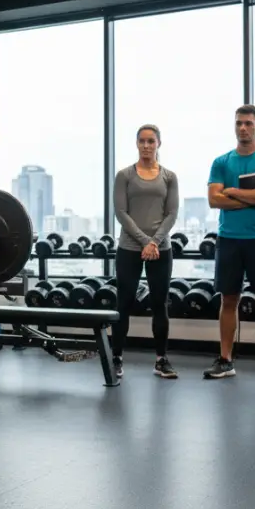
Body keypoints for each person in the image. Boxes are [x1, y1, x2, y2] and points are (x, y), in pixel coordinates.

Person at [205, 105, 255, 383]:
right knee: (228, 300)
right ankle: (225, 360)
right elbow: (214, 200)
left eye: (249, 123)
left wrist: (236, 192)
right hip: (229, 239)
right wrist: (254, 195)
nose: (243, 128)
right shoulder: (221, 162)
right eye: (239, 123)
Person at [111, 124, 180, 379]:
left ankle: (161, 359)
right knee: (124, 303)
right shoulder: (125, 175)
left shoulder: (169, 177)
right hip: (129, 247)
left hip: (160, 249)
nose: (146, 146)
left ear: (158, 143)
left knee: (160, 304)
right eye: (142, 141)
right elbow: (121, 213)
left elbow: (172, 213)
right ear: (136, 144)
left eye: (151, 141)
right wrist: (144, 241)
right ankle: (116, 357)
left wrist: (155, 241)